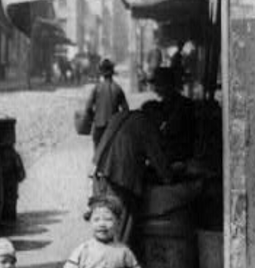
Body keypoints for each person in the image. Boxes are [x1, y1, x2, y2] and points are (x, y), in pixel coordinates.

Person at [89, 107, 172, 243]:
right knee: (120, 231)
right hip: (119, 181)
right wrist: (169, 177)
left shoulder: (120, 117)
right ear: (156, 118)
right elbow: (158, 159)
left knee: (104, 228)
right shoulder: (146, 123)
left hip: (99, 176)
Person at [149, 66, 196, 166]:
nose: (156, 89)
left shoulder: (182, 105)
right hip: (173, 154)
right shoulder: (166, 104)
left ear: (167, 85)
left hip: (180, 157)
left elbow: (169, 131)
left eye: (158, 85)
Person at [83, 58, 129, 149]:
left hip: (99, 127)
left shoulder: (97, 88)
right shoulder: (118, 89)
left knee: (98, 156)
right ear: (112, 72)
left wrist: (94, 117)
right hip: (113, 128)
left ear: (101, 72)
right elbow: (126, 110)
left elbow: (88, 107)